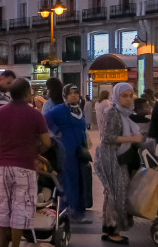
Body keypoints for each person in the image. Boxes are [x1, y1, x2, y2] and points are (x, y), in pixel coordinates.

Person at [0, 79, 52, 247]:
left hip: (2, 166)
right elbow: (47, 143)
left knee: (3, 206)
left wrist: (0, 148)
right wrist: (36, 151)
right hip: (25, 167)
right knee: (20, 208)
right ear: (26, 94)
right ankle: (15, 245)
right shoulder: (36, 115)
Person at [95, 82, 143, 244]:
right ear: (117, 96)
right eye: (124, 96)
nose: (129, 99)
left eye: (131, 95)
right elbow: (107, 137)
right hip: (111, 157)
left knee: (112, 193)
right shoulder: (113, 112)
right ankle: (113, 230)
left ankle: (108, 227)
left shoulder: (123, 112)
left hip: (118, 156)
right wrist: (133, 139)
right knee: (117, 193)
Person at [44, 83, 92, 223]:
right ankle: (67, 211)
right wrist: (57, 134)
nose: (73, 95)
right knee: (68, 180)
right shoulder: (60, 110)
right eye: (70, 93)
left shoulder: (79, 110)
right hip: (66, 149)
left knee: (80, 179)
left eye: (76, 93)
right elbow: (45, 119)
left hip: (79, 150)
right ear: (65, 95)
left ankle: (78, 211)